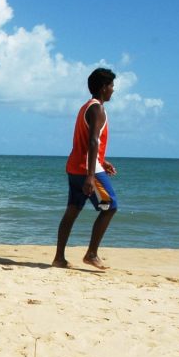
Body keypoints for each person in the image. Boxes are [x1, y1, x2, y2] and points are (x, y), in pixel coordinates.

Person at [53, 67, 118, 270]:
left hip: (75, 167)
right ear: (103, 87)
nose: (113, 90)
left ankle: (59, 258)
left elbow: (88, 142)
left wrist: (102, 161)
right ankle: (91, 254)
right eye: (111, 86)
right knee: (110, 206)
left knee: (72, 210)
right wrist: (91, 174)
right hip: (85, 170)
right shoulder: (97, 109)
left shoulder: (86, 107)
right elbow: (92, 141)